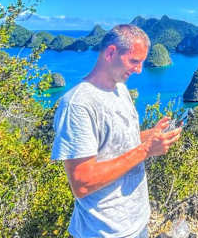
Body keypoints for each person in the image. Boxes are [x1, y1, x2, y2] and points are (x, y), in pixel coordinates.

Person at [51, 25, 183, 238]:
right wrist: (146, 150)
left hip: (137, 223)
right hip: (104, 231)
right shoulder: (78, 105)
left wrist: (150, 136)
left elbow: (118, 144)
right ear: (111, 53)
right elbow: (82, 182)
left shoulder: (120, 89)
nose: (139, 70)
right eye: (134, 61)